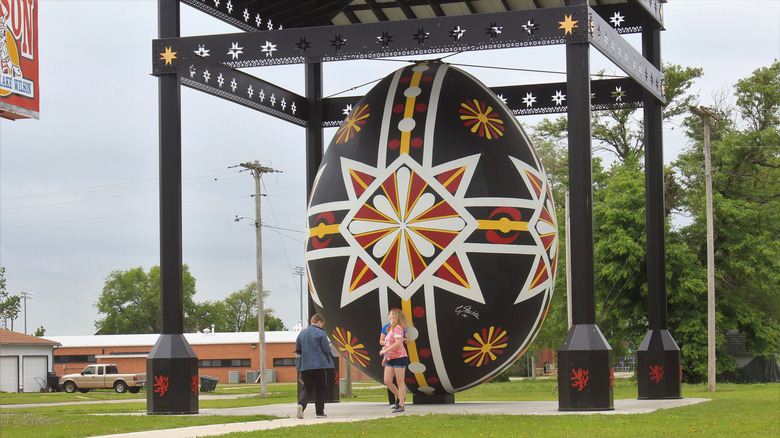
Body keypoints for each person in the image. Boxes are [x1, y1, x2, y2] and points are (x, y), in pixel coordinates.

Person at [295, 313, 334, 419]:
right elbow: (326, 349)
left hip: (305, 366)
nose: (322, 327)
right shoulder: (321, 333)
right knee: (320, 388)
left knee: (307, 388)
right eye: (322, 324)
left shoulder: (302, 333)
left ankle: (301, 405)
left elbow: (298, 349)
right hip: (319, 365)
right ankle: (319, 412)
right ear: (319, 322)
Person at [379, 308, 412, 413]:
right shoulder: (389, 329)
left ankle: (401, 405)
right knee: (387, 381)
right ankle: (401, 397)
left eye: (390, 314)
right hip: (391, 358)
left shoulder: (398, 328)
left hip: (400, 358)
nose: (388, 316)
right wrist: (386, 357)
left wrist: (385, 351)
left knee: (400, 382)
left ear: (394, 316)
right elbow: (387, 343)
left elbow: (398, 343)